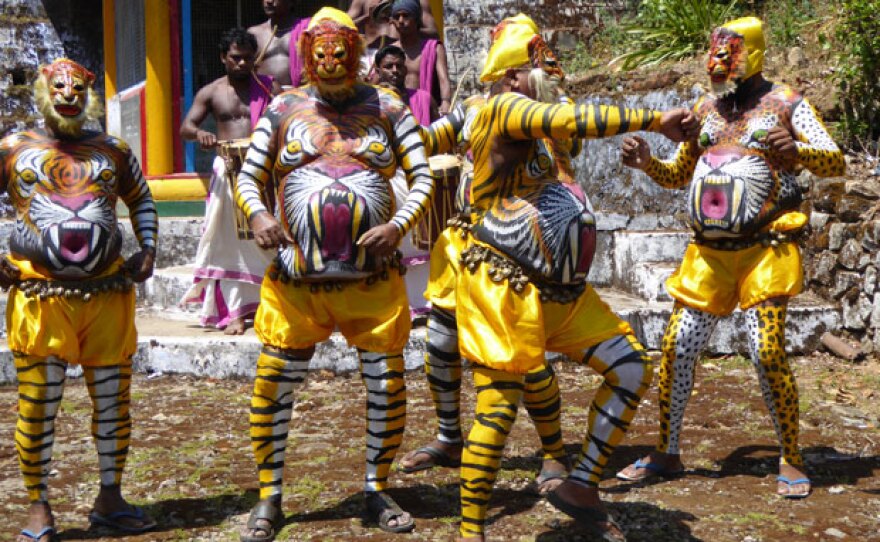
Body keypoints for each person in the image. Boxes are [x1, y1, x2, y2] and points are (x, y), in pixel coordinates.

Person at [448, 14, 698, 542]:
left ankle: (580, 484)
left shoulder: (546, 132)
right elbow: (579, 120)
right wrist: (653, 121)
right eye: (546, 69)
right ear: (516, 75)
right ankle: (471, 531)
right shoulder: (505, 107)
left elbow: (567, 135)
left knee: (630, 368)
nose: (558, 80)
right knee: (497, 411)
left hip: (565, 292)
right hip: (505, 287)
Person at [616, 16, 845, 501]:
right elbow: (681, 173)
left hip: (764, 252)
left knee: (765, 352)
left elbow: (836, 159)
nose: (717, 62)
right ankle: (668, 451)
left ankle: (790, 455)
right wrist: (646, 164)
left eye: (728, 53)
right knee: (678, 347)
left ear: (754, 53)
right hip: (709, 256)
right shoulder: (706, 109)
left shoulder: (787, 105)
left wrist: (800, 150)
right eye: (714, 53)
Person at [234, 8, 434, 541]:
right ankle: (270, 495)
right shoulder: (282, 108)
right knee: (274, 384)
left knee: (387, 384)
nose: (331, 62)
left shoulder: (388, 106)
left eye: (340, 52)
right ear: (306, 57)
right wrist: (258, 215)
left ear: (356, 52)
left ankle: (376, 486)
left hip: (372, 279)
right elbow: (249, 176)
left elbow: (424, 177)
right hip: (296, 283)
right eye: (320, 54)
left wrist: (398, 224)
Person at [396, 43, 586, 494]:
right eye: (513, 73)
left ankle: (555, 452)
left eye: (527, 72)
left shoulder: (557, 114)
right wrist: (388, 133)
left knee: (527, 354)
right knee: (440, 344)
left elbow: (572, 138)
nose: (517, 81)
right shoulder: (473, 109)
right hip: (464, 241)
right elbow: (429, 139)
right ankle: (448, 437)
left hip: (527, 247)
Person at [0, 58, 158, 541]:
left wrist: (148, 247)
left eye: (76, 88)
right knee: (39, 404)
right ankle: (37, 506)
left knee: (113, 404)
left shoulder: (112, 149)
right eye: (58, 87)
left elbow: (142, 198)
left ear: (89, 94)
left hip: (107, 294)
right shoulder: (13, 148)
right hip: (40, 298)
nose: (68, 95)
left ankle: (110, 497)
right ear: (44, 93)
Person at [180, 28, 279, 335]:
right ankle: (234, 312)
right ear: (224, 58)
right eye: (236, 58)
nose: (242, 64)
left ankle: (273, 304)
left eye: (248, 58)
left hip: (265, 169)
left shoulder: (269, 88)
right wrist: (202, 135)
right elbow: (186, 127)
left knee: (270, 238)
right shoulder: (211, 92)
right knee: (230, 242)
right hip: (229, 169)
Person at [389, 0, 451, 116]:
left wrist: (446, 102)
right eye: (397, 17)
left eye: (406, 16)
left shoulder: (434, 48)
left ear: (416, 19)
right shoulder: (389, 51)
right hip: (396, 109)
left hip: (425, 109)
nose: (401, 21)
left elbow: (444, 79)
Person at [248, 0, 310, 88]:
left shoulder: (307, 31)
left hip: (300, 97)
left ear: (292, 2)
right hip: (265, 96)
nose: (269, 1)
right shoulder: (254, 34)